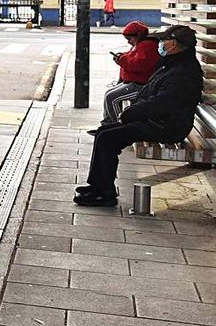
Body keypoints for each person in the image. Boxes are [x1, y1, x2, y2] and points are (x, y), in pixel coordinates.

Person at [75, 25, 203, 207]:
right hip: (157, 120)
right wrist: (134, 111)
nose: (160, 44)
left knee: (108, 138)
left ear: (173, 44)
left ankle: (104, 194)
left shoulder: (183, 72)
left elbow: (161, 103)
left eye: (163, 41)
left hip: (166, 126)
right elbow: (151, 94)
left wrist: (131, 113)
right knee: (104, 132)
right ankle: (98, 187)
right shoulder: (173, 64)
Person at [87, 21, 159, 136]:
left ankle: (116, 129)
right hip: (135, 82)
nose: (128, 42)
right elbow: (132, 57)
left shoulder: (147, 46)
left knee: (112, 98)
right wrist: (121, 57)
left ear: (138, 36)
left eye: (129, 39)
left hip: (141, 86)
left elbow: (139, 64)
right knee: (108, 94)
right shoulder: (141, 45)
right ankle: (107, 125)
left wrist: (121, 60)